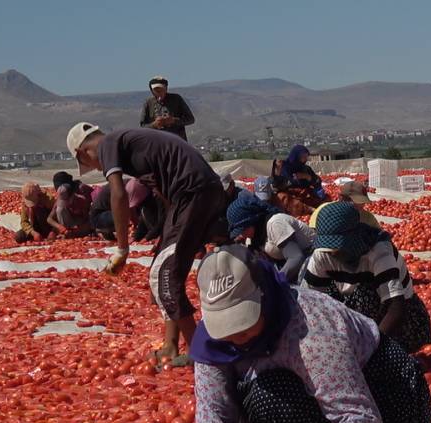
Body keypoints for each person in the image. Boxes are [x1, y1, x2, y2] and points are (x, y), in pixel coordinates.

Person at [191, 245, 431, 423]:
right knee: (266, 393)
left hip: (393, 414)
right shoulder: (211, 341)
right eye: (224, 325)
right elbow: (213, 411)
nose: (234, 334)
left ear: (264, 296)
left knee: (273, 395)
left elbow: (360, 418)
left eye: (243, 320)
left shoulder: (310, 325)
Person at [67, 122, 227, 365]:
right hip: (194, 194)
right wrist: (167, 232)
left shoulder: (109, 143)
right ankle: (170, 345)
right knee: (160, 271)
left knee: (165, 274)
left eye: (89, 164)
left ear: (82, 152)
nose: (96, 166)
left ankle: (201, 355)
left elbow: (118, 195)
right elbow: (162, 192)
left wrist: (122, 248)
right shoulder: (132, 142)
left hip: (193, 192)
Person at [302, 202, 431, 353]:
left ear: (352, 238)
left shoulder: (379, 251)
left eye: (336, 245)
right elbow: (309, 300)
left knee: (364, 291)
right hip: (355, 315)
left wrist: (371, 347)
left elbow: (396, 307)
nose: (331, 252)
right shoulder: (323, 253)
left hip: (398, 321)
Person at [227, 194, 316, 283]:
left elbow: (296, 258)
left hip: (311, 260)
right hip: (289, 265)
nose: (241, 235)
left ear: (253, 221)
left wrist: (275, 283)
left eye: (243, 230)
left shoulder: (275, 224)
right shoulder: (254, 237)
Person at [139, 76, 195, 141]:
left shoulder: (176, 99)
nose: (159, 92)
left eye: (161, 89)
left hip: (177, 142)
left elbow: (190, 119)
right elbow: (142, 126)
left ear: (166, 89)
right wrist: (154, 125)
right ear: (152, 91)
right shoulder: (148, 103)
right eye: (156, 90)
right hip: (157, 143)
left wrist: (173, 120)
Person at [310, 181, 380, 229]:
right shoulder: (323, 211)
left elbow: (380, 236)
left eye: (363, 202)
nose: (361, 205)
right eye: (357, 202)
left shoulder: (368, 218)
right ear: (342, 198)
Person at [47, 172, 93, 238]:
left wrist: (77, 230)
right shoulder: (62, 193)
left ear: (72, 196)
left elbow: (90, 218)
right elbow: (49, 219)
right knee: (60, 209)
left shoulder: (82, 198)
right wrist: (60, 227)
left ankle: (72, 234)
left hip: (85, 222)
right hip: (70, 224)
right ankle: (68, 233)